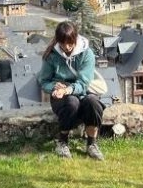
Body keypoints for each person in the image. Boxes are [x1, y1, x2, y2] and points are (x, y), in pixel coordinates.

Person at [37, 21, 105, 161]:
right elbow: (44, 81)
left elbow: (84, 83)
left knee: (93, 103)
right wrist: (54, 87)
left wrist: (68, 89)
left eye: (70, 43)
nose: (67, 47)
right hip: (61, 97)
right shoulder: (51, 55)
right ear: (58, 41)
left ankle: (92, 143)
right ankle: (62, 141)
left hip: (83, 92)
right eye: (63, 43)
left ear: (75, 39)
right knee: (71, 102)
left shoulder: (86, 54)